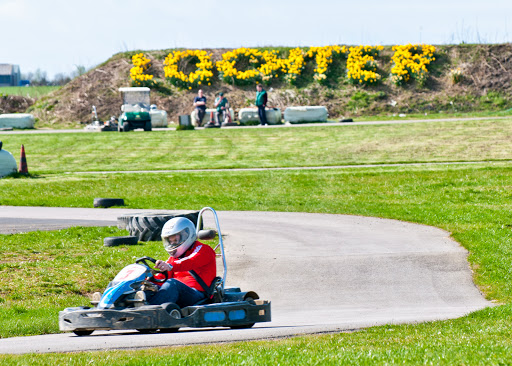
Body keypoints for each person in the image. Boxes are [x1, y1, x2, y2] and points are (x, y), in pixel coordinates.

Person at [148, 217, 217, 308]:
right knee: (147, 287)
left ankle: (148, 310)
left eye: (176, 240)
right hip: (178, 292)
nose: (173, 244)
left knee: (173, 284)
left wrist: (170, 266)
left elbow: (190, 261)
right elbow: (162, 278)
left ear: (186, 235)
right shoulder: (174, 258)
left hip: (198, 295)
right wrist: (149, 281)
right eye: (170, 241)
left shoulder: (204, 250)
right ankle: (133, 306)